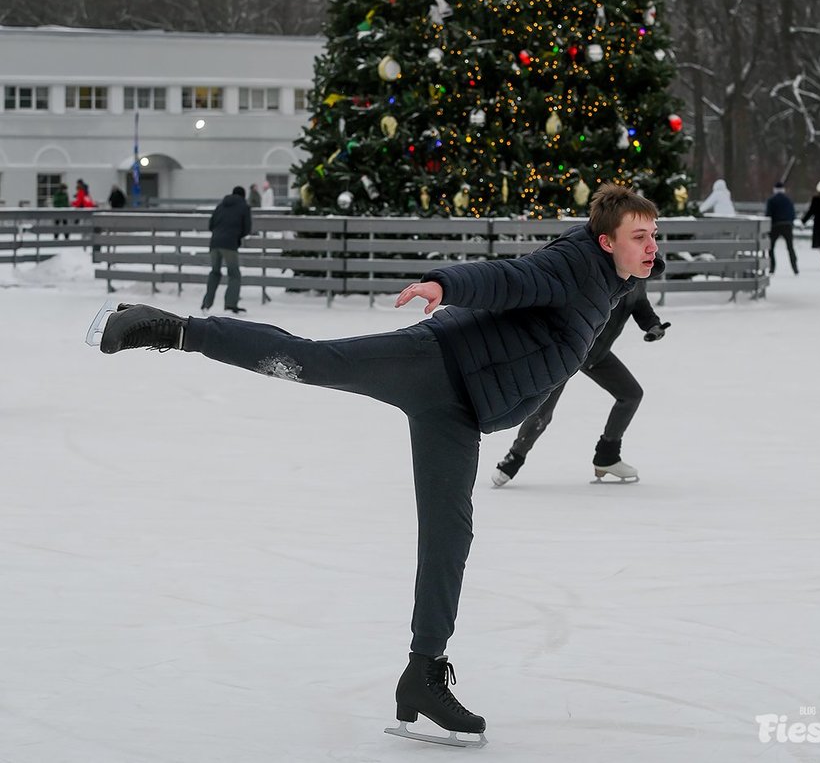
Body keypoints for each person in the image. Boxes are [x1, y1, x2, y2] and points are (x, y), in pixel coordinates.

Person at [97, 183, 661, 744]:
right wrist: (447, 283)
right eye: (640, 236)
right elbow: (510, 277)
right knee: (311, 360)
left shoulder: (609, 284)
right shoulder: (574, 265)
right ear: (607, 241)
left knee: (449, 536)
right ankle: (169, 328)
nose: (651, 245)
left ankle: (422, 675)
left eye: (653, 234)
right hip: (435, 363)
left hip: (463, 409)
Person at [492, 277, 669, 487]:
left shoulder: (638, 280)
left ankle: (607, 456)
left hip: (597, 354)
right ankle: (513, 459)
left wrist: (653, 325)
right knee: (543, 410)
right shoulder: (605, 274)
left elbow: (640, 305)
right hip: (569, 350)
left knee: (630, 394)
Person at [201, 185, 252, 314]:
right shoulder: (244, 207)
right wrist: (237, 236)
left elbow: (211, 224)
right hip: (230, 244)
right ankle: (230, 304)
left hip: (214, 243)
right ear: (243, 196)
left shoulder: (220, 206)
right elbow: (247, 228)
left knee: (215, 272)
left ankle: (206, 304)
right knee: (234, 274)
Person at [765, 180, 798, 276]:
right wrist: (791, 223)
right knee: (790, 247)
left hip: (775, 225)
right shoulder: (788, 200)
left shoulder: (771, 200)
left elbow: (768, 214)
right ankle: (794, 267)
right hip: (787, 225)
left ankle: (772, 267)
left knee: (771, 248)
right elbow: (792, 214)